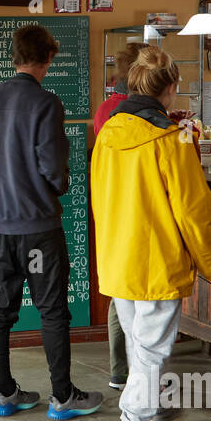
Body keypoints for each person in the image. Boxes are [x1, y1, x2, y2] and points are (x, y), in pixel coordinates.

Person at [0, 23, 103, 421]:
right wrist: (54, 186)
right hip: (38, 228)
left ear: (14, 57)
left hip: (0, 227)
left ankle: (5, 394)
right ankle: (62, 398)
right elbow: (54, 167)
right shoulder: (46, 103)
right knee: (52, 310)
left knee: (1, 310)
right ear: (48, 58)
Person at [90, 47, 211, 421]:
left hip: (118, 257)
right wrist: (210, 263)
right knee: (153, 349)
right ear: (171, 88)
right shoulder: (174, 137)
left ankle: (156, 410)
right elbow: (193, 208)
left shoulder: (108, 133)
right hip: (158, 259)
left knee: (139, 344)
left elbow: (99, 199)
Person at [92, 41, 143, 391]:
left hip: (112, 207)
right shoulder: (139, 112)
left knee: (119, 292)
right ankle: (140, 373)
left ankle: (119, 369)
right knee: (140, 297)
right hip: (139, 210)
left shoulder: (106, 108)